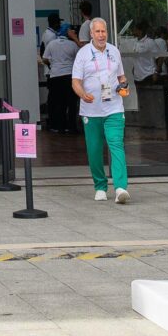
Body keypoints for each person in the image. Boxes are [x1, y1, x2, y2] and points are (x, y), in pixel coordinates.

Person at [73, 16, 131, 203]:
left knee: (116, 145)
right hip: (91, 110)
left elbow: (121, 77)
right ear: (91, 33)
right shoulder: (83, 54)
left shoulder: (114, 51)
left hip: (114, 107)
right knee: (95, 150)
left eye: (103, 31)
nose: (101, 35)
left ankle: (121, 187)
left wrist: (123, 86)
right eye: (97, 31)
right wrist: (82, 94)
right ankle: (100, 186)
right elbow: (75, 81)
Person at [40, 20, 79, 133]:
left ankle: (59, 126)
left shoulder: (52, 44)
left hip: (55, 77)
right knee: (71, 103)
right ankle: (71, 127)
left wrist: (52, 65)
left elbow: (45, 58)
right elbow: (78, 59)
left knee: (58, 103)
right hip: (69, 76)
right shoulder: (73, 45)